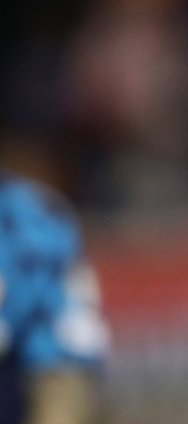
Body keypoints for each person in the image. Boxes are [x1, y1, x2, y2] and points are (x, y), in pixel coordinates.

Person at [0, 172, 109, 424]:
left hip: (57, 358)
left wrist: (6, 322)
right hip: (23, 359)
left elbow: (32, 282)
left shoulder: (23, 207)